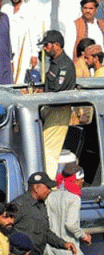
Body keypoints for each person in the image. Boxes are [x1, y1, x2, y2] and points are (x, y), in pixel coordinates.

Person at [11, 172, 78, 255]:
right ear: (36, 188)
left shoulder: (41, 206)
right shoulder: (19, 205)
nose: (50, 191)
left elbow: (45, 232)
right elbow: (5, 229)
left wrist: (64, 244)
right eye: (47, 187)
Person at [39, 30, 77, 176]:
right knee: (44, 146)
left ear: (57, 45)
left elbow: (57, 88)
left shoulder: (65, 65)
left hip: (60, 110)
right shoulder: (55, 63)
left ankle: (48, 185)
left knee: (49, 149)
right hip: (51, 108)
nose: (44, 48)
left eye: (47, 45)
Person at [2, 0, 40, 84]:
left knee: (22, 79)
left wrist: (34, 54)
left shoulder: (29, 9)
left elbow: (34, 33)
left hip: (24, 50)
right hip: (8, 49)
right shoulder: (5, 9)